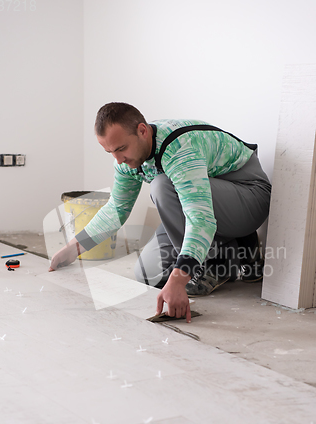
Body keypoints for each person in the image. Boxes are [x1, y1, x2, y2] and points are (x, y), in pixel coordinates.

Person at [49, 102, 271, 323]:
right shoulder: (128, 160)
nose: (118, 160)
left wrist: (179, 280)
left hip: (248, 196)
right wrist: (73, 248)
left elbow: (200, 218)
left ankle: (218, 260)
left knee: (162, 185)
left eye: (121, 149)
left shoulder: (179, 149)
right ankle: (240, 248)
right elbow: (116, 209)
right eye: (110, 152)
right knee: (147, 273)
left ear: (142, 131)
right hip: (204, 203)